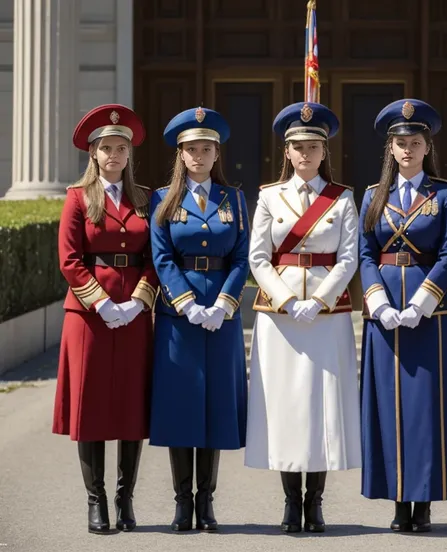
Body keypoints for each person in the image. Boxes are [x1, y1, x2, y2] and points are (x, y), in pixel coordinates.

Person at [245, 101, 361, 533]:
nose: (306, 154)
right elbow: (258, 258)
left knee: (323, 408)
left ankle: (316, 503)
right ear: (288, 153)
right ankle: (291, 502)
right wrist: (288, 300)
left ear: (324, 151)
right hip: (281, 317)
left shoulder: (343, 199)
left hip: (327, 316)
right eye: (299, 147)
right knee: (289, 408)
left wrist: (322, 299)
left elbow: (349, 259)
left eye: (314, 146)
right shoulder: (267, 197)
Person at [359, 98, 447, 533]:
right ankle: (396, 500)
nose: (407, 149)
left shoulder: (444, 194)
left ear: (428, 147)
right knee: (389, 407)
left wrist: (424, 300)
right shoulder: (373, 195)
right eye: (400, 143)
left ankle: (422, 500)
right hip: (384, 310)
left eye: (416, 142)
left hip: (431, 312)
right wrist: (378, 302)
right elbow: (366, 253)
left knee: (426, 408)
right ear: (390, 149)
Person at [53, 104, 156, 533]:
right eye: (106, 147)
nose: (114, 154)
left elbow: (155, 258)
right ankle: (95, 500)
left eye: (121, 148)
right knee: (91, 407)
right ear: (93, 153)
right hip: (88, 316)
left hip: (133, 313)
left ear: (130, 154)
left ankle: (125, 498)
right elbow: (69, 258)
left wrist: (137, 301)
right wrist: (101, 301)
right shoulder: (78, 198)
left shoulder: (145, 199)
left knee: (132, 405)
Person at [148, 107, 249, 532]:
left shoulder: (235, 198)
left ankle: (206, 503)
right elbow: (161, 256)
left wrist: (225, 303)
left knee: (215, 407)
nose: (199, 155)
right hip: (178, 314)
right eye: (192, 149)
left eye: (206, 148)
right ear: (181, 154)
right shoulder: (161, 199)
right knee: (182, 407)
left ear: (216, 152)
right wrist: (187, 302)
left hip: (221, 317)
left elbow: (242, 257)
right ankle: (181, 503)